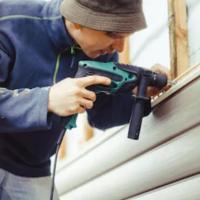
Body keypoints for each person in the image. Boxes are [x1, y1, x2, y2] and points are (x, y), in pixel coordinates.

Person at [0, 0, 167, 199]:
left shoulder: (102, 53)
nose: (120, 48)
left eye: (126, 36)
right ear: (77, 20)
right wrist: (47, 100)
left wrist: (138, 96)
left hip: (31, 168)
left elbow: (101, 115)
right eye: (113, 34)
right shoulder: (9, 22)